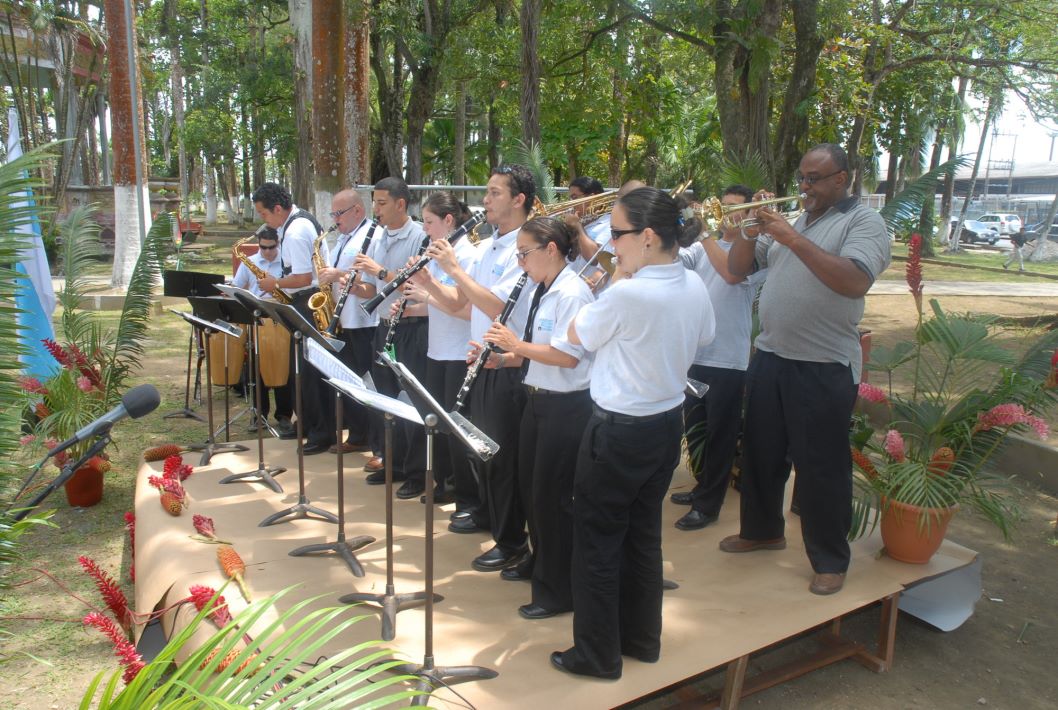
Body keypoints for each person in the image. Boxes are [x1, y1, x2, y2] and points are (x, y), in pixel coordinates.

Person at [552, 187, 715, 680]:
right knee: (644, 539)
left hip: (619, 432)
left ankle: (597, 655)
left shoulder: (629, 291)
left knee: (598, 544)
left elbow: (577, 334)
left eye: (617, 234)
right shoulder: (692, 283)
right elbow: (704, 337)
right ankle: (643, 640)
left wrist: (618, 280)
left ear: (647, 237)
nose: (611, 243)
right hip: (666, 425)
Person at [721, 143, 891, 596]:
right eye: (800, 178)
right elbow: (737, 270)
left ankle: (830, 559)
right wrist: (747, 228)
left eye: (814, 179)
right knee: (761, 454)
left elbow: (854, 280)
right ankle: (761, 530)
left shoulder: (863, 222)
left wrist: (791, 238)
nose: (804, 187)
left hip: (822, 365)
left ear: (842, 178)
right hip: (772, 356)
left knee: (821, 468)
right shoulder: (794, 220)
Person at [413, 164, 536, 573]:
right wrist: (431, 283)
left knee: (503, 459)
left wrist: (452, 268)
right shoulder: (490, 247)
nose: (485, 201)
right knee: (484, 453)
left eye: (495, 193)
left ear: (518, 200)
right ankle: (492, 519)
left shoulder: (527, 245)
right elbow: (464, 305)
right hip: (481, 360)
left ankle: (513, 541)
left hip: (510, 365)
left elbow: (501, 306)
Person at [482, 217, 593, 619]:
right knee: (531, 489)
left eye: (524, 253)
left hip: (566, 407)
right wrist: (504, 358)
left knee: (552, 498)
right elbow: (537, 351)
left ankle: (557, 590)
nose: (520, 261)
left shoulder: (573, 294)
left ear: (551, 249)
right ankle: (538, 559)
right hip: (536, 399)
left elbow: (567, 356)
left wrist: (517, 344)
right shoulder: (540, 288)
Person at [670, 184, 766, 530]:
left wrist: (706, 230)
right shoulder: (701, 245)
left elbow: (730, 272)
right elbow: (675, 262)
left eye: (736, 208)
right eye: (723, 206)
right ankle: (701, 487)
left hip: (727, 359)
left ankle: (710, 503)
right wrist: (680, 217)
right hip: (695, 355)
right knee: (698, 430)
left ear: (750, 214)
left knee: (721, 435)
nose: (728, 214)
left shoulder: (754, 252)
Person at [350, 177, 430, 499]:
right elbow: (374, 289)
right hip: (384, 324)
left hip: (412, 326)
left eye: (382, 203)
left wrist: (379, 270)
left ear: (400, 204)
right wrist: (355, 287)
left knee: (409, 400)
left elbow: (411, 283)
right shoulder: (378, 236)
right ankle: (392, 463)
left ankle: (415, 473)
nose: (376, 210)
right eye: (375, 203)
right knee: (385, 396)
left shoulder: (421, 236)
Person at [401, 192, 480, 507]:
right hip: (437, 349)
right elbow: (437, 305)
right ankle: (446, 483)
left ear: (449, 221)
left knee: (457, 430)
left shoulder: (468, 256)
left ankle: (466, 495)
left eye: (430, 222)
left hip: (459, 352)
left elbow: (463, 308)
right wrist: (409, 309)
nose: (425, 230)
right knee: (438, 423)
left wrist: (426, 291)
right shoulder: (436, 253)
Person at [252, 182, 332, 454]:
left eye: (264, 214)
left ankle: (321, 432)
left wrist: (274, 284)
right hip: (304, 301)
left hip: (308, 302)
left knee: (309, 372)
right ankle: (308, 423)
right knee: (299, 370)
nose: (264, 220)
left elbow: (303, 277)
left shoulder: (296, 231)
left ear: (277, 208)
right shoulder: (292, 226)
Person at [316, 189, 376, 454]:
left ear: (358, 211)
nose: (335, 219)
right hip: (343, 320)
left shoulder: (369, 236)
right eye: (333, 213)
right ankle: (357, 433)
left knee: (365, 381)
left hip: (363, 321)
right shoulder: (343, 238)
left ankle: (369, 437)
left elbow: (371, 281)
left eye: (339, 213)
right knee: (348, 380)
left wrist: (337, 274)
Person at [231, 227, 293, 434]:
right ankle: (259, 414)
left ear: (278, 243)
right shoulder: (250, 262)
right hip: (257, 318)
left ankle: (284, 414)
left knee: (284, 366)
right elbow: (237, 287)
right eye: (263, 247)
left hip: (280, 315)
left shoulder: (287, 261)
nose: (267, 252)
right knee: (256, 368)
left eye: (271, 247)